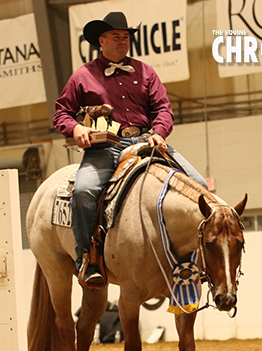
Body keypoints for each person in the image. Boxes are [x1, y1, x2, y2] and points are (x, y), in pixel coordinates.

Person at [53, 12, 207, 286]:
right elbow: (62, 112)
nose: (123, 41)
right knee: (84, 191)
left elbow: (163, 109)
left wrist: (159, 132)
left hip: (146, 142)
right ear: (101, 41)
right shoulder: (83, 76)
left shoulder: (146, 71)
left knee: (197, 184)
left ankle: (198, 259)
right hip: (105, 147)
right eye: (116, 36)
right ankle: (87, 258)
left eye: (126, 37)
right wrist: (76, 129)